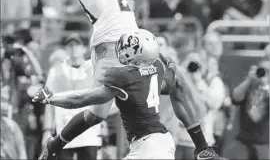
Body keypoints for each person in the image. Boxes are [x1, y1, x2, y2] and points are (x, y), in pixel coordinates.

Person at [35, 0, 148, 160]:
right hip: (111, 46)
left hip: (128, 43)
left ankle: (56, 143)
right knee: (102, 99)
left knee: (97, 114)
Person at [34, 29, 227, 160]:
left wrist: (52, 98)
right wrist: (172, 65)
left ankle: (55, 145)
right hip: (161, 143)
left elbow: (82, 99)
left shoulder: (123, 76)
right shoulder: (158, 67)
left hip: (149, 146)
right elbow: (169, 84)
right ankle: (202, 148)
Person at [42, 33, 101, 160]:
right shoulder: (55, 71)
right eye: (70, 45)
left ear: (84, 48)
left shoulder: (93, 69)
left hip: (89, 133)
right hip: (64, 131)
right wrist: (47, 129)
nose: (74, 48)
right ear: (66, 49)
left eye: (77, 44)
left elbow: (101, 99)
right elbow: (48, 101)